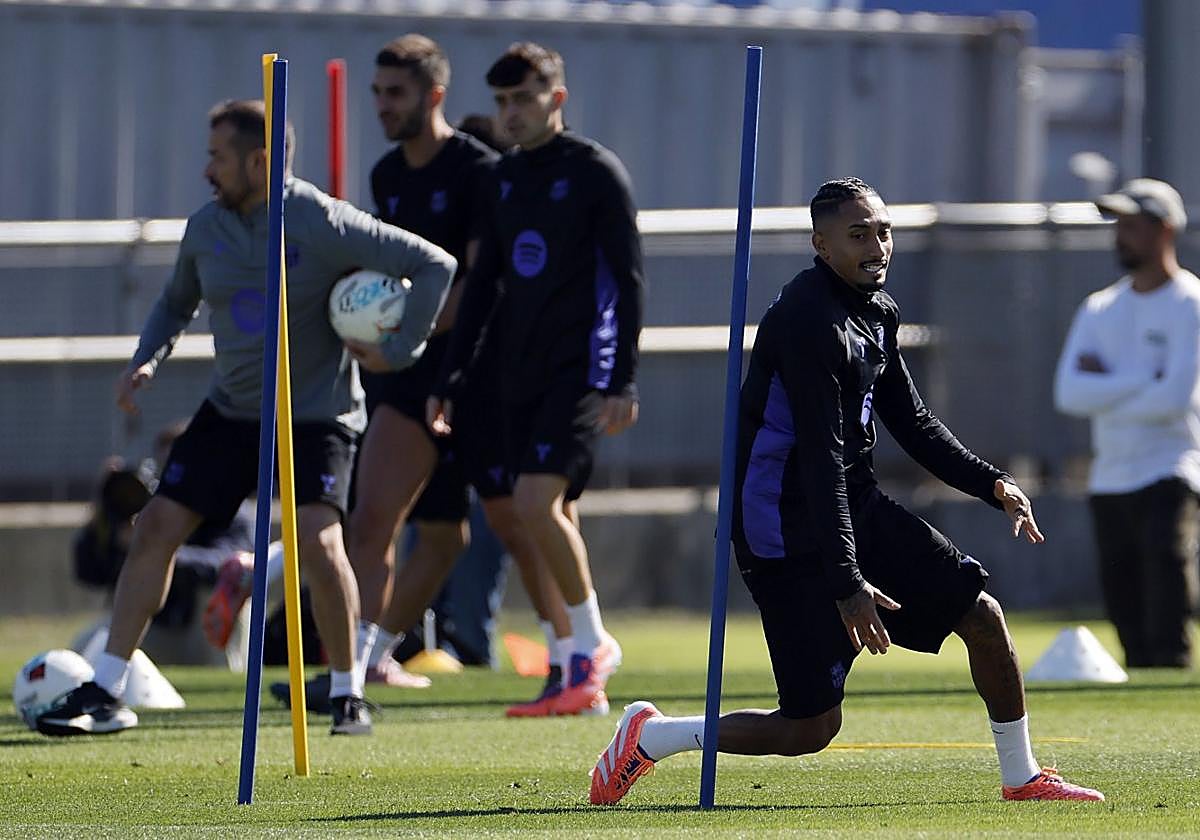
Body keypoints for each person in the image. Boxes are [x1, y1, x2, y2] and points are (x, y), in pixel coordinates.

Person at [588, 177, 1104, 805]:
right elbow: (818, 458)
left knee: (981, 613)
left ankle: (1022, 777)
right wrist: (847, 582)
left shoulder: (877, 311)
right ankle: (654, 737)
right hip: (782, 525)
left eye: (883, 230)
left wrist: (991, 482)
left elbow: (911, 420)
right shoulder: (809, 321)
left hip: (848, 502)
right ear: (821, 244)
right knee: (810, 727)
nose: (877, 245)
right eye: (858, 234)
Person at [35, 98, 456, 738]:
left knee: (319, 540)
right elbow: (175, 303)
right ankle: (107, 688)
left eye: (218, 157)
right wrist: (145, 360)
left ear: (259, 160)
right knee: (154, 527)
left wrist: (398, 351)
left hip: (316, 414)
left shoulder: (319, 219)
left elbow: (435, 265)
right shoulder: (206, 228)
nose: (207, 169)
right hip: (231, 411)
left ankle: (346, 694)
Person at [267, 35, 572, 712]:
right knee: (378, 520)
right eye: (375, 92)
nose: (381, 105)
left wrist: (408, 329)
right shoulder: (387, 177)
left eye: (394, 93)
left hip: (481, 371)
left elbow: (475, 281)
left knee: (513, 526)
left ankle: (573, 660)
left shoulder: (481, 171)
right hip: (407, 372)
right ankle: (359, 669)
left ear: (433, 95)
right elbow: (385, 277)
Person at [430, 42, 644, 716]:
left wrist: (623, 380)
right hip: (514, 375)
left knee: (532, 504)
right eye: (501, 102)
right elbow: (485, 283)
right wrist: (453, 373)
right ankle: (574, 673)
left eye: (522, 99)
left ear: (557, 98)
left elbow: (630, 279)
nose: (510, 113)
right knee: (553, 513)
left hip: (580, 370)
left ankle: (591, 642)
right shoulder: (503, 180)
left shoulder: (595, 173)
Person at [1054, 178, 1200, 669]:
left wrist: (1109, 385)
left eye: (1132, 225)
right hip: (1110, 474)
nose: (1121, 235)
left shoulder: (1190, 303)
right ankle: (1143, 673)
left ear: (1165, 230)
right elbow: (1069, 393)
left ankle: (1173, 671)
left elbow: (1174, 400)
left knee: (1166, 575)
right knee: (1125, 603)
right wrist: (1143, 378)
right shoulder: (1100, 307)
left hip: (1170, 468)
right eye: (1119, 225)